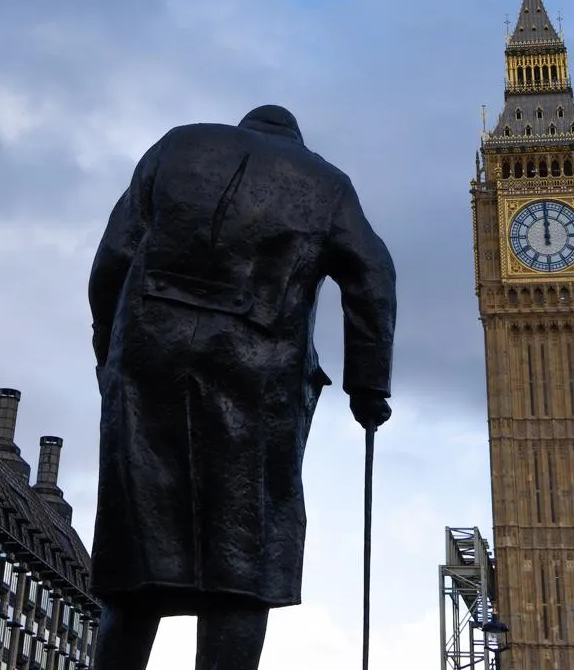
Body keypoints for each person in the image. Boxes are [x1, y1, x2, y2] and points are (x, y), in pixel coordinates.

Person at [88, 105, 396, 669]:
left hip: (146, 359)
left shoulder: (175, 145)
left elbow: (112, 256)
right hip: (258, 374)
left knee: (136, 554)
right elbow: (373, 276)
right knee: (244, 558)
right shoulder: (326, 183)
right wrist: (368, 387)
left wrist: (109, 350)